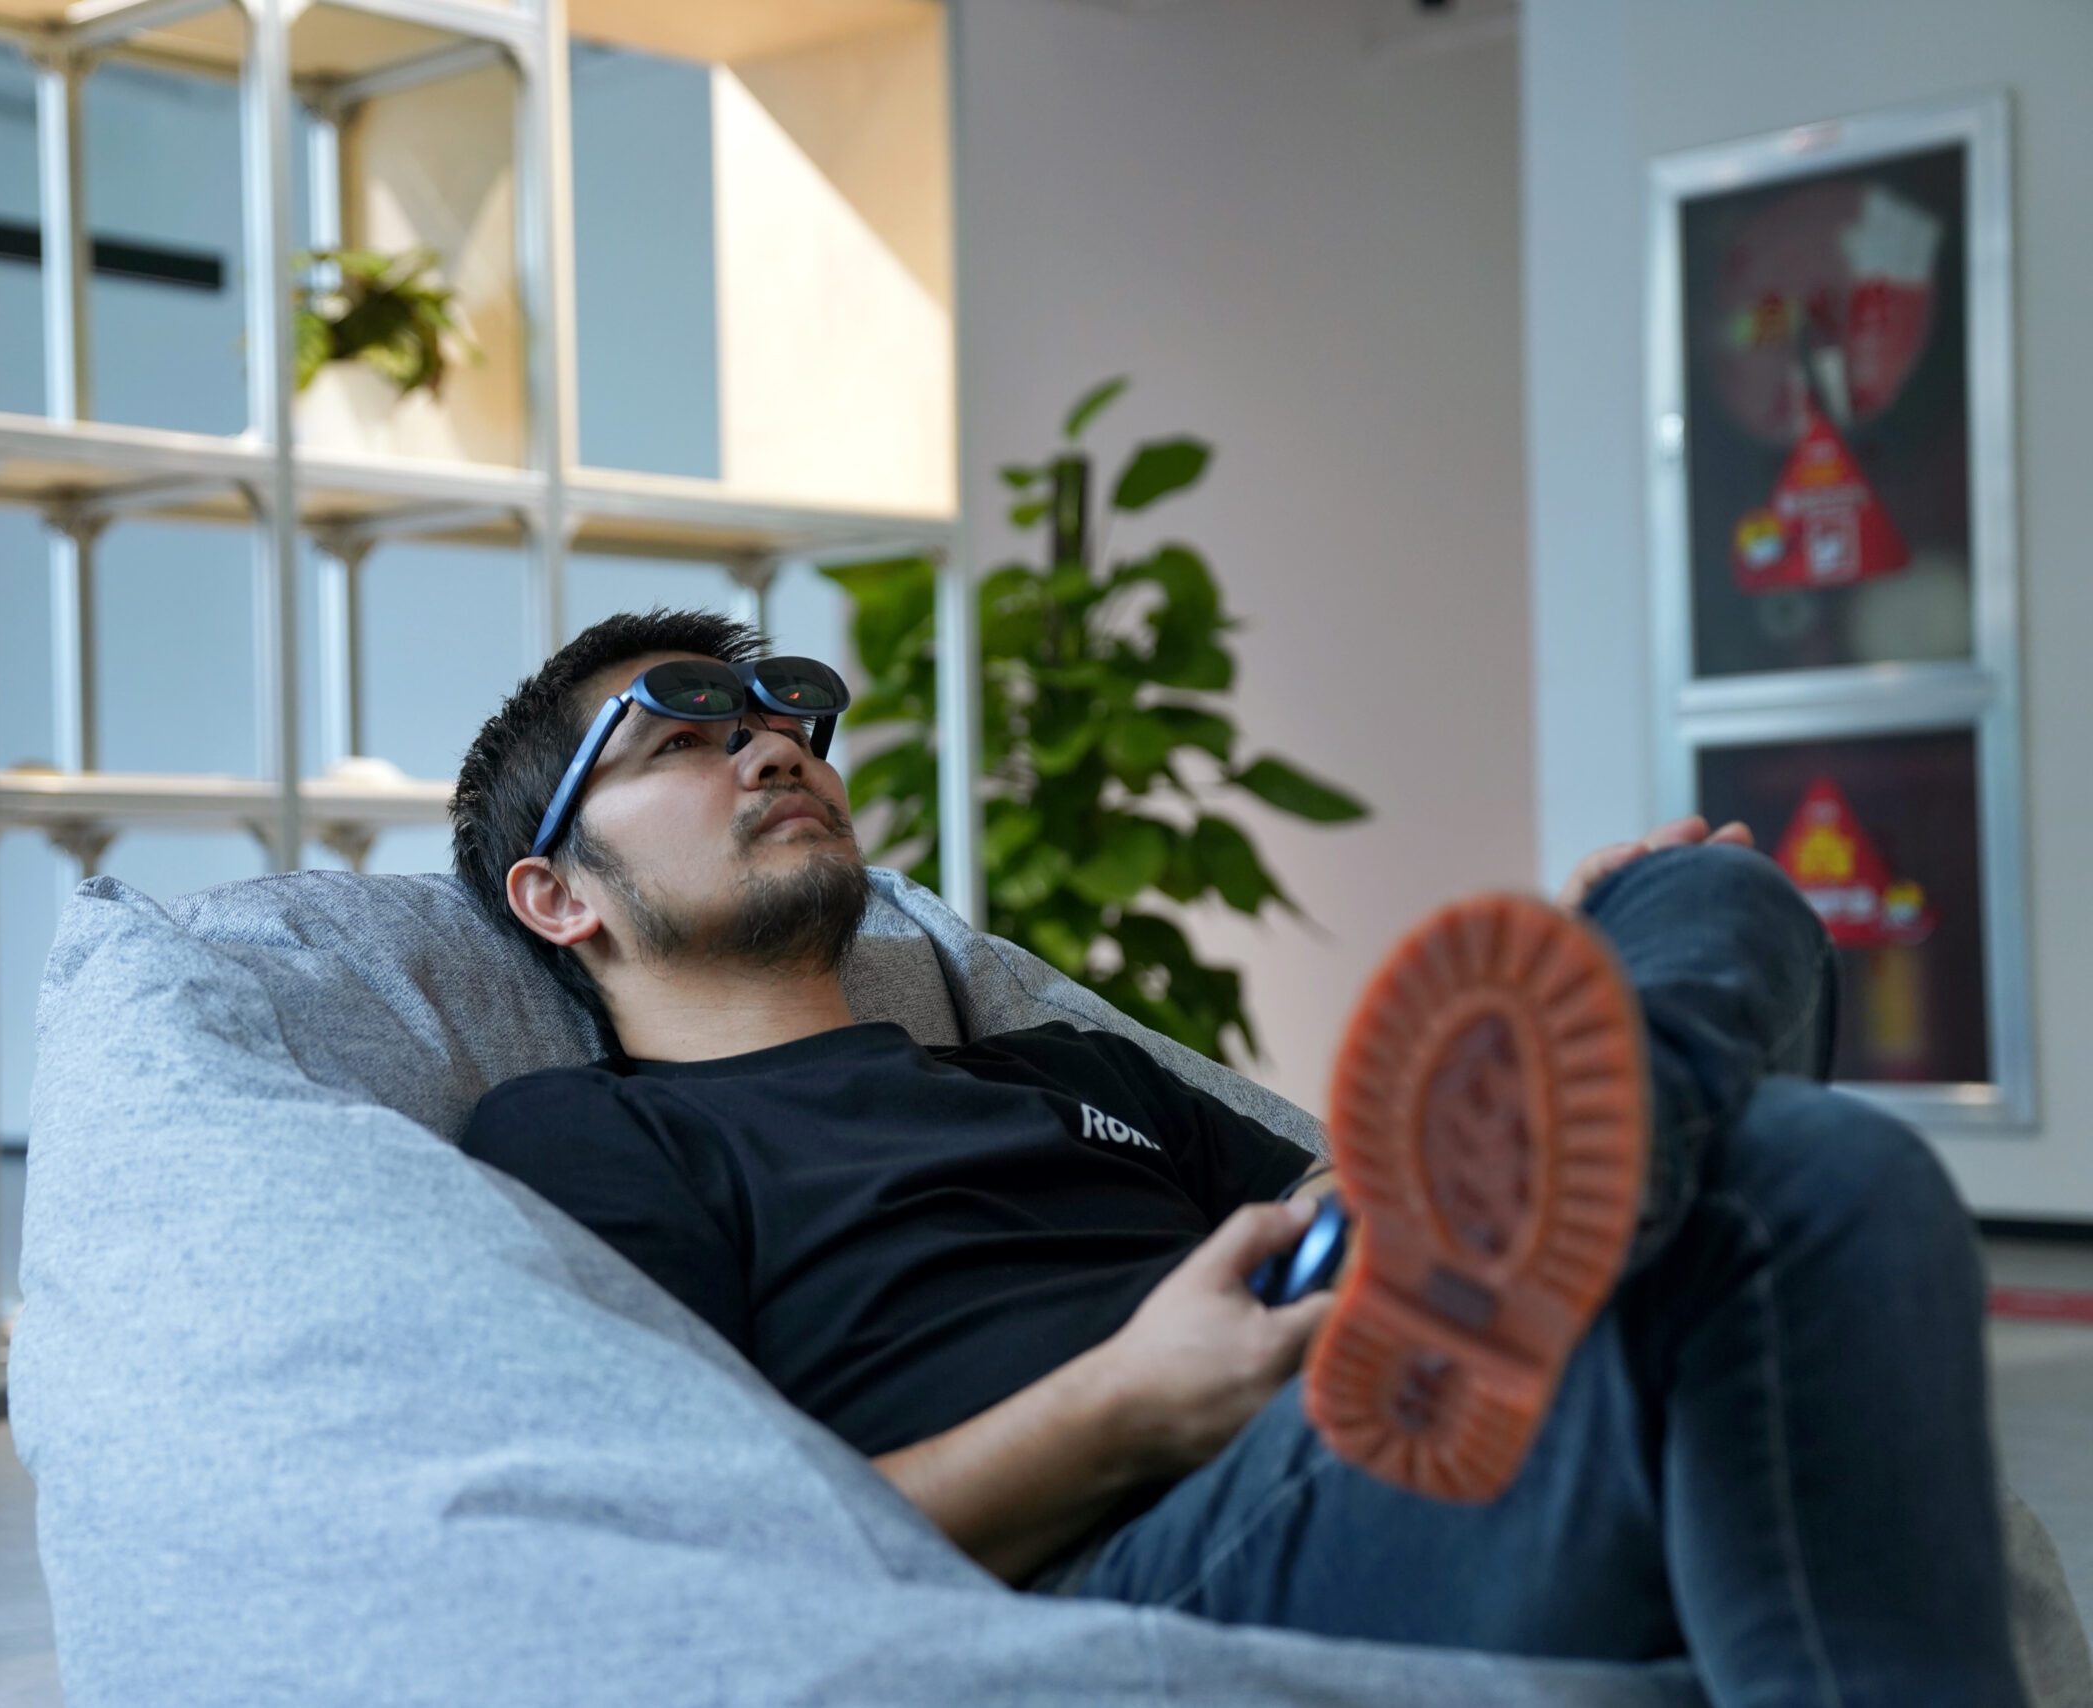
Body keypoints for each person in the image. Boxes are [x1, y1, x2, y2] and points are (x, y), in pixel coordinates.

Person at [448, 608, 2027, 1707]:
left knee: (1706, 900)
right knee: (1808, 1169)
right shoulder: (588, 1134)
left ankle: (1603, 1108)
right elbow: (712, 1552)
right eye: (687, 740)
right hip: (1142, 1555)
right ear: (558, 897)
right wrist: (1132, 1401)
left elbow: (1353, 1210)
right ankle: (1613, 1119)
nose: (776, 751)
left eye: (788, 724)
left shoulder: (1063, 1066)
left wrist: (1526, 1058)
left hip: (1394, 1384)